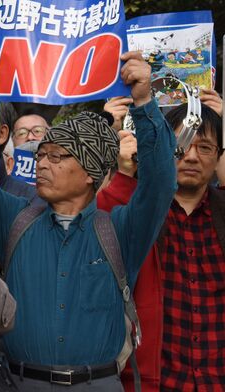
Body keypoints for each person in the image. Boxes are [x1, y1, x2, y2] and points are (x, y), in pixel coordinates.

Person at [0, 50, 176, 390]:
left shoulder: (120, 230)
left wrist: (144, 101)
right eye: (41, 155)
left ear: (91, 174)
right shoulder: (15, 220)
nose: (42, 163)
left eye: (58, 156)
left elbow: (160, 184)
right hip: (19, 382)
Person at [100, 101, 225, 391]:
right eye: (181, 144)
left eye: (205, 148)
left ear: (218, 156)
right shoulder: (136, 213)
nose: (191, 156)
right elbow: (98, 232)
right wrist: (123, 173)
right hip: (154, 381)